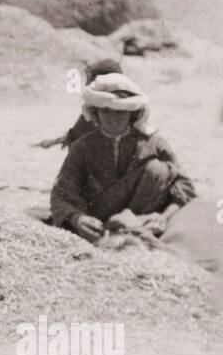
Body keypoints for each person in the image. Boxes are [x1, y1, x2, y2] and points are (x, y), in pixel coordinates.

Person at [49, 72, 196, 243]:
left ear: (132, 114)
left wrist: (163, 217)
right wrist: (78, 219)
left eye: (120, 112)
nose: (113, 119)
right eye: (106, 111)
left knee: (157, 169)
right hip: (97, 225)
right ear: (95, 113)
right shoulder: (82, 147)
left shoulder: (153, 143)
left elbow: (184, 186)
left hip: (146, 222)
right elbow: (63, 192)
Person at [34, 57, 122, 149]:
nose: (87, 84)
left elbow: (79, 135)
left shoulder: (95, 108)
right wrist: (56, 141)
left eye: (92, 80)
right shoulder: (128, 106)